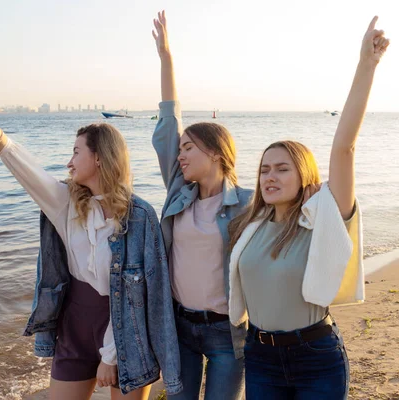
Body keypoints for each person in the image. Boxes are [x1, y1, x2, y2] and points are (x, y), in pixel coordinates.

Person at [0, 95, 182, 400]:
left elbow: (146, 292)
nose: (69, 162)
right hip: (74, 328)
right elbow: (26, 170)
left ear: (99, 157)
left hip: (128, 333)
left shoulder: (139, 216)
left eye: (76, 152)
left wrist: (110, 356)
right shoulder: (66, 204)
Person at [227, 16, 390, 399]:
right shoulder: (250, 226)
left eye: (282, 169)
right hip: (260, 355)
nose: (270, 176)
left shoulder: (324, 219)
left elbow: (344, 147)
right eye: (265, 169)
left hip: (315, 355)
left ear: (304, 176)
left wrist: (366, 65)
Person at [151, 10, 251, 400]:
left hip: (227, 331)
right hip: (180, 326)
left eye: (189, 148)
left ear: (214, 152)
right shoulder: (180, 192)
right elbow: (167, 125)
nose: (180, 155)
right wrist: (166, 58)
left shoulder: (246, 205)